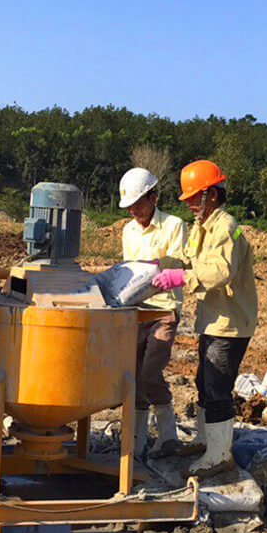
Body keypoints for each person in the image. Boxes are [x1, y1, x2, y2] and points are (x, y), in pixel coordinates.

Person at [150, 159, 257, 476]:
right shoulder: (202, 227)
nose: (190, 205)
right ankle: (206, 440)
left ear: (211, 194)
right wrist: (158, 262)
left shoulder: (226, 228)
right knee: (203, 381)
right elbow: (187, 257)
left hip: (230, 323)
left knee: (217, 388)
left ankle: (220, 455)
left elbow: (220, 271)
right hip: (213, 320)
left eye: (194, 198)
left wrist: (180, 279)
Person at [117, 167, 187, 460]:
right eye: (129, 206)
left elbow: (181, 265)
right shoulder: (128, 230)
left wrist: (160, 271)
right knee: (133, 374)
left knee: (150, 372)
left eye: (138, 203)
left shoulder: (173, 226)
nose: (133, 210)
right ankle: (137, 439)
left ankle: (168, 435)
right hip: (136, 311)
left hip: (163, 310)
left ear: (153, 197)